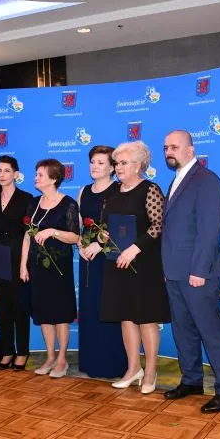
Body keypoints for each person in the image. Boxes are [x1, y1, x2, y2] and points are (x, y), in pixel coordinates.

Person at [162, 130, 220, 413]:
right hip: (175, 272)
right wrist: (167, 268)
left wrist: (199, 270)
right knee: (183, 331)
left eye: (174, 147)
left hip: (198, 273)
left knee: (212, 332)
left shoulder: (207, 180)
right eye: (166, 147)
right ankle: (191, 380)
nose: (169, 151)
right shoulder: (176, 180)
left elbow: (210, 229)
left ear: (190, 150)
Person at [99, 141, 170, 394]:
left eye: (123, 163)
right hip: (118, 264)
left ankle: (150, 371)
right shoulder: (112, 193)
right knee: (126, 317)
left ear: (139, 165)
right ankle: (133, 369)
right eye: (116, 163)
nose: (118, 167)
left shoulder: (150, 189)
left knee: (146, 318)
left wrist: (135, 248)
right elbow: (105, 227)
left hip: (145, 263)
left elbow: (158, 226)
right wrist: (102, 238)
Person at [20, 159, 80, 378]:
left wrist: (52, 232)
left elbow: (75, 237)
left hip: (59, 268)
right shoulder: (33, 203)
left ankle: (62, 359)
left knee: (60, 314)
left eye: (40, 175)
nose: (35, 178)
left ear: (53, 179)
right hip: (37, 267)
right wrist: (23, 265)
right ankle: (50, 357)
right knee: (44, 313)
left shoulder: (68, 204)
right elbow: (27, 236)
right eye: (36, 174)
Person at [77, 146, 127, 379]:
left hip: (109, 258)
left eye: (100, 163)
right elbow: (78, 226)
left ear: (112, 168)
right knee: (89, 308)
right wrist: (80, 246)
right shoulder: (84, 191)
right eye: (92, 162)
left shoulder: (119, 190)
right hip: (87, 259)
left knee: (108, 308)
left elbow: (122, 227)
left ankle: (112, 364)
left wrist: (99, 245)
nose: (94, 167)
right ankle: (91, 362)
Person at [0, 156, 33, 370]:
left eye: (7, 171)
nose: (2, 175)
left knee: (19, 306)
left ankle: (22, 351)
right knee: (2, 306)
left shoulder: (26, 198)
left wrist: (24, 264)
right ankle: (7, 349)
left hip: (19, 254)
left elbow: (29, 233)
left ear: (16, 174)